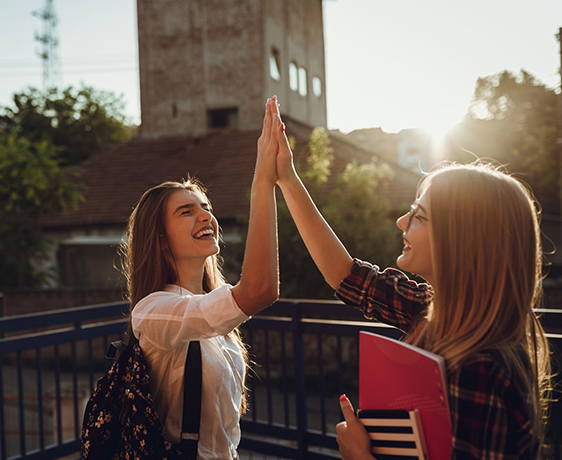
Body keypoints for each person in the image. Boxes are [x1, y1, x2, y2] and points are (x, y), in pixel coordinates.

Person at [272, 109, 552, 458]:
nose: (402, 221)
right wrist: (286, 178)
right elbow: (346, 276)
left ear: (460, 241)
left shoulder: (480, 371)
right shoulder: (434, 311)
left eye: (419, 215)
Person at [120, 96, 282, 459]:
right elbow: (260, 290)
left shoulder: (216, 302)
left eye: (206, 208)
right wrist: (263, 182)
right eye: (186, 212)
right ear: (160, 240)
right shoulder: (153, 311)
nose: (205, 217)